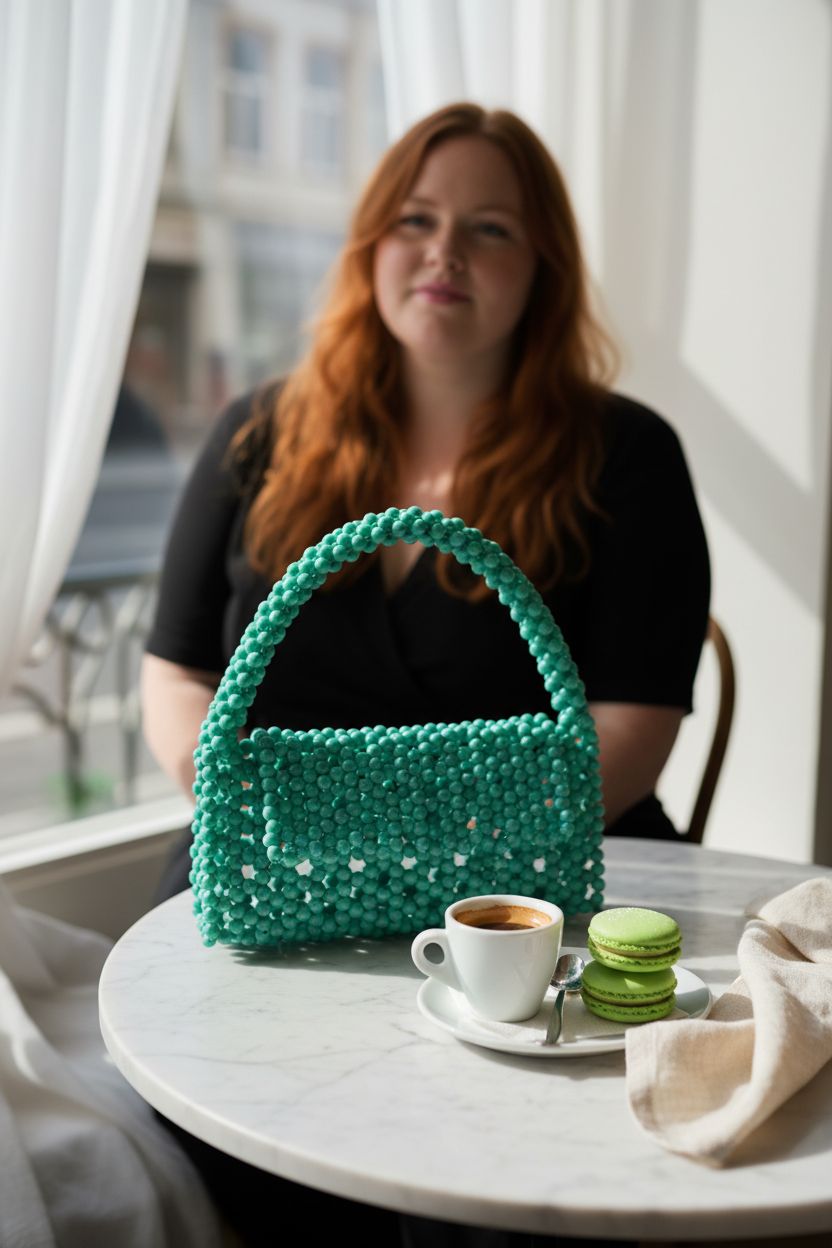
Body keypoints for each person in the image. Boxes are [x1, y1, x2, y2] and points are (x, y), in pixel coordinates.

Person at [140, 103, 709, 1246]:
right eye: (416, 217)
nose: (444, 251)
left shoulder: (625, 455)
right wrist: (278, 827)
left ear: (540, 268)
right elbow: (174, 675)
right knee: (249, 1155)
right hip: (271, 886)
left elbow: (633, 725)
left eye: (489, 228)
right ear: (370, 247)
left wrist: (411, 851)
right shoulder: (258, 434)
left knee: (488, 1199)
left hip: (529, 906)